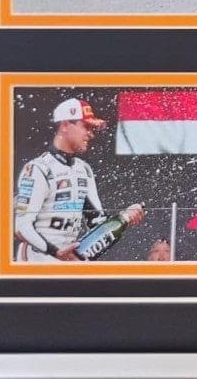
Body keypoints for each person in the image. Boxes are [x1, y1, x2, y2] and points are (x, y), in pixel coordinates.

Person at [13, 97, 160, 261]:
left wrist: (125, 217)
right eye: (86, 127)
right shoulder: (38, 168)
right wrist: (56, 251)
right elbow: (21, 227)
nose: (91, 134)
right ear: (65, 125)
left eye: (92, 128)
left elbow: (97, 224)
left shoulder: (83, 169)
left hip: (68, 263)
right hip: (35, 263)